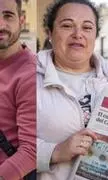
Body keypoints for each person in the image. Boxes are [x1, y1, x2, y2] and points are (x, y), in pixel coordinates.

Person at [36, 0, 108, 179]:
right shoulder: (28, 80)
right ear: (49, 33)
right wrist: (55, 151)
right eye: (67, 26)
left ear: (95, 36)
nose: (78, 34)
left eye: (87, 28)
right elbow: (9, 143)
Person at [0, 0, 36, 179]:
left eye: (8, 16)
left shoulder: (30, 73)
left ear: (21, 20)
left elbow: (31, 151)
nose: (1, 24)